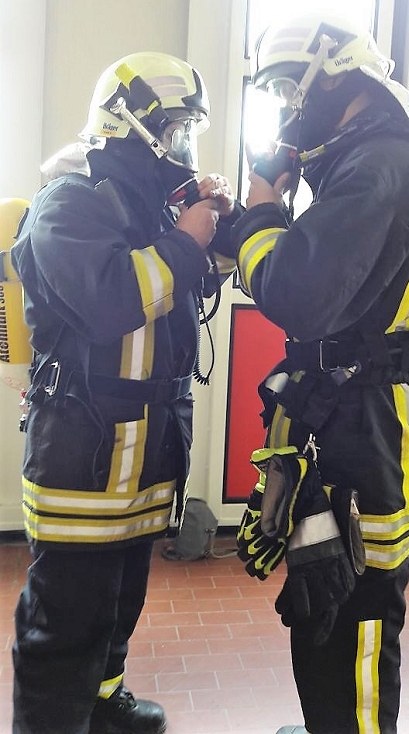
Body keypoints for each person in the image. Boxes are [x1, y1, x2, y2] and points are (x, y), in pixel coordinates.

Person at [10, 51, 242, 734]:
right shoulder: (69, 200)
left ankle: (103, 703)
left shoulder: (149, 205)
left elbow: (183, 286)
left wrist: (215, 227)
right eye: (173, 128)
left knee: (119, 599)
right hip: (83, 453)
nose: (183, 144)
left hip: (142, 450)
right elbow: (111, 300)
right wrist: (185, 240)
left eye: (188, 129)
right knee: (65, 619)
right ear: (130, 123)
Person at [231, 13, 409, 734]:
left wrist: (262, 211)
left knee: (356, 616)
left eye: (288, 89)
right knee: (327, 598)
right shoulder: (368, 162)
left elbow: (296, 292)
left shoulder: (382, 166)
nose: (284, 107)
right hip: (349, 416)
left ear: (333, 78)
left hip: (366, 427)